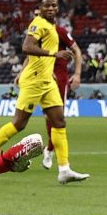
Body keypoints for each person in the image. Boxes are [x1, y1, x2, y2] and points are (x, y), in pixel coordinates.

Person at [0, 0, 89, 184]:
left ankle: (64, 169)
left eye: (53, 5)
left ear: (58, 8)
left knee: (59, 121)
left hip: (47, 81)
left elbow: (35, 55)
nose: (50, 8)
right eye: (46, 6)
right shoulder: (38, 24)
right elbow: (27, 46)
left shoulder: (52, 26)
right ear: (40, 8)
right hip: (34, 81)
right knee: (19, 123)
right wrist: (53, 54)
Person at [35, 11, 82, 170]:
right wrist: (22, 72)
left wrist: (77, 74)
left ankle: (49, 150)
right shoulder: (37, 33)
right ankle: (49, 150)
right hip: (43, 77)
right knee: (49, 117)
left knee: (57, 117)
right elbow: (30, 54)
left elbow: (77, 51)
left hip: (60, 79)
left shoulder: (60, 31)